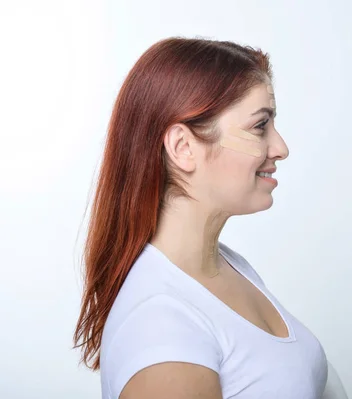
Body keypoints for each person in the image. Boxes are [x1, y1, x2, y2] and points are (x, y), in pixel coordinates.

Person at [73, 36, 332, 399]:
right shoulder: (160, 328)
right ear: (183, 147)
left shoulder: (227, 265)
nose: (281, 148)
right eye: (260, 126)